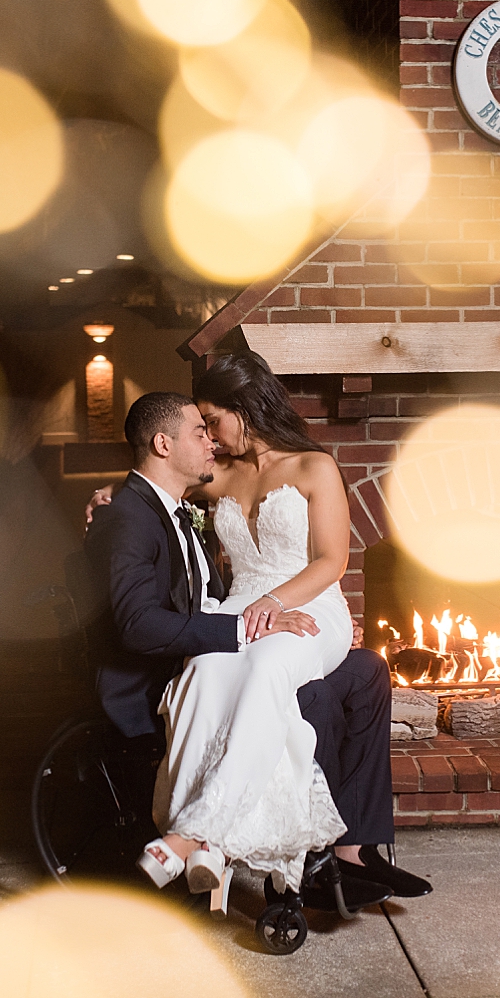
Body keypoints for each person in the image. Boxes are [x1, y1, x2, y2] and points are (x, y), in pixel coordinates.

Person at [84, 353, 429, 912]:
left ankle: (199, 834)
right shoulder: (219, 475)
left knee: (269, 669)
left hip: (309, 607)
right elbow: (156, 485)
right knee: (203, 668)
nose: (210, 438)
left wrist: (271, 606)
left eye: (213, 422)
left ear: (244, 413)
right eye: (202, 427)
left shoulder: (314, 467)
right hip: (241, 609)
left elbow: (332, 561)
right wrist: (108, 496)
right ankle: (204, 840)